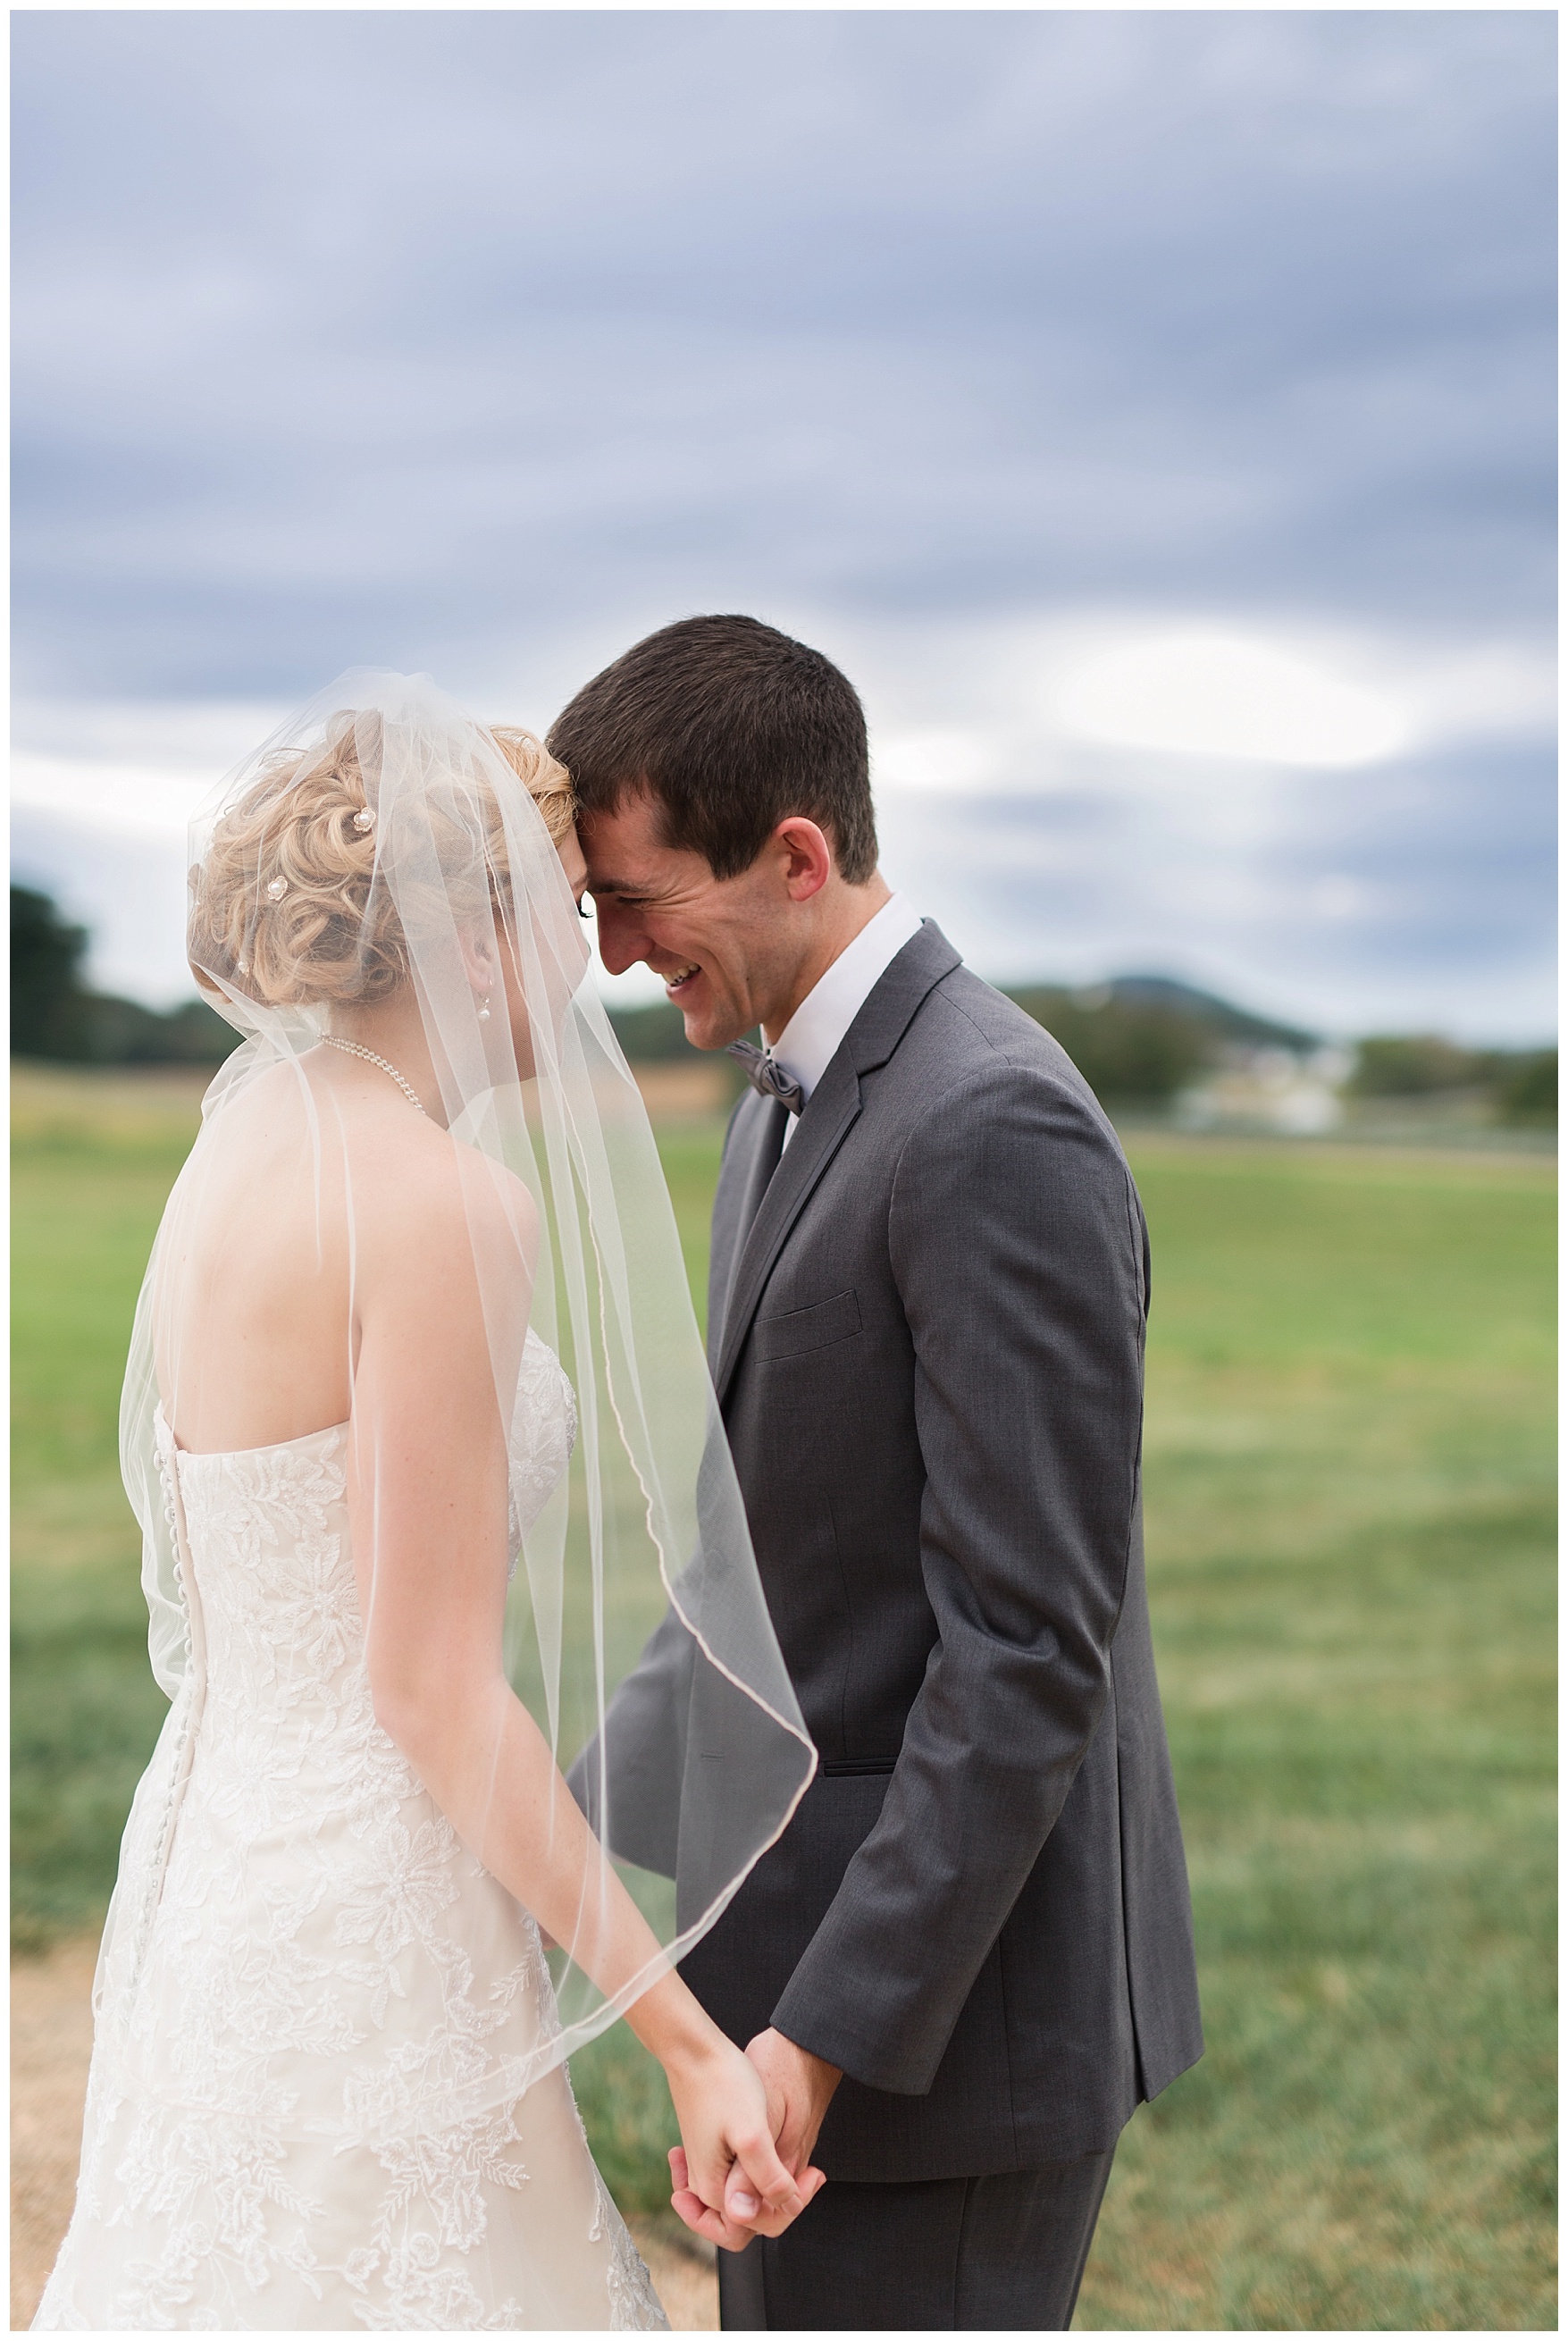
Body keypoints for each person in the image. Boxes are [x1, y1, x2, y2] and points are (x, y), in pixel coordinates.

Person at [33, 672, 819, 2332]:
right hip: (376, 1904)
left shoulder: (249, 1140)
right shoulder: (443, 1207)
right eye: (567, 914)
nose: (597, 961)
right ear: (475, 941)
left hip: (224, 1863)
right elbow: (430, 1687)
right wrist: (685, 2042)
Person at [555, 615, 1204, 2332]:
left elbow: (1025, 1654)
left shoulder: (992, 1123)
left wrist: (821, 2045)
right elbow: (757, 1582)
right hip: (785, 1980)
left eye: (635, 898)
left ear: (795, 855)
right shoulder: (771, 1101)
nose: (614, 955)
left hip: (937, 2038)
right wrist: (538, 1838)